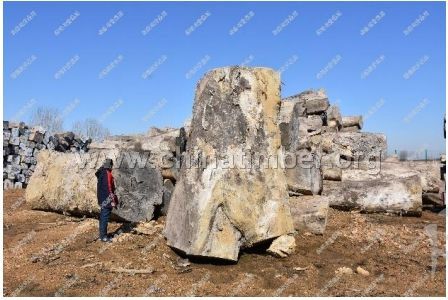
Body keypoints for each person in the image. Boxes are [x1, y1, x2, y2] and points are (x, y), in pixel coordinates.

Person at [95, 158, 118, 242]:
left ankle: (102, 235)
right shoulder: (107, 174)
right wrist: (112, 201)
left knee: (103, 217)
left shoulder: (101, 173)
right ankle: (103, 237)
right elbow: (108, 188)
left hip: (101, 198)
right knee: (105, 217)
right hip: (106, 198)